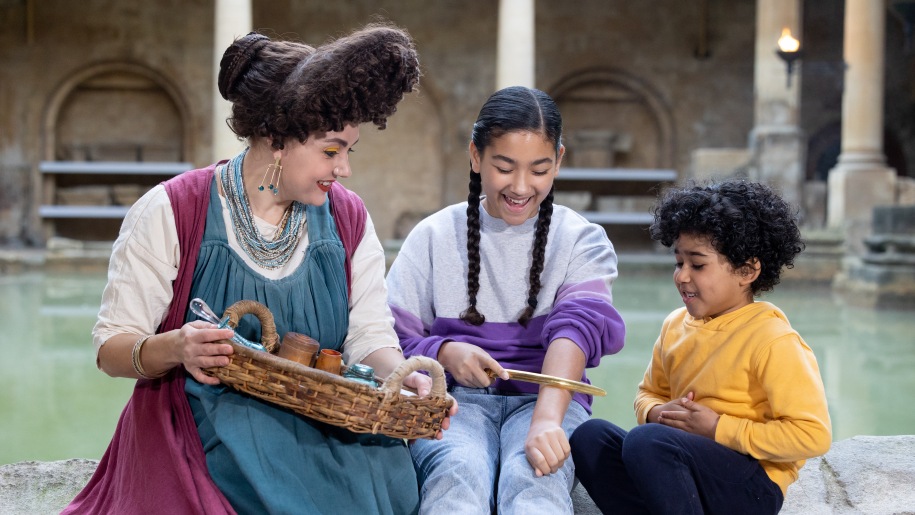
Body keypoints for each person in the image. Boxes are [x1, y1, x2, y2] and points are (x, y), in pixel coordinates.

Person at [65, 24, 448, 514]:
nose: (344, 168)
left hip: (322, 422)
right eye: (331, 150)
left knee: (384, 485)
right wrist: (177, 346)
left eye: (350, 150)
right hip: (203, 429)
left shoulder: (349, 219)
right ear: (275, 138)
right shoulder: (171, 210)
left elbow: (369, 339)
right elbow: (112, 349)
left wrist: (400, 379)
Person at [385, 86, 626, 514]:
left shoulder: (581, 239)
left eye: (539, 169)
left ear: (559, 160)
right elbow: (388, 338)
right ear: (476, 157)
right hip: (453, 399)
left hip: (548, 401)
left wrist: (548, 420)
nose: (520, 186)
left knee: (534, 480)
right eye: (504, 166)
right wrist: (444, 351)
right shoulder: (432, 236)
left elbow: (577, 330)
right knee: (456, 471)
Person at [570, 180, 832, 514]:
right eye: (679, 262)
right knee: (589, 437)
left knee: (647, 442)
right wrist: (654, 412)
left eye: (698, 264)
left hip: (749, 486)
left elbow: (812, 435)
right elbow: (648, 393)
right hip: (678, 465)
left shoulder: (773, 340)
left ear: (747, 271)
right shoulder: (674, 326)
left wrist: (718, 428)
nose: (681, 276)